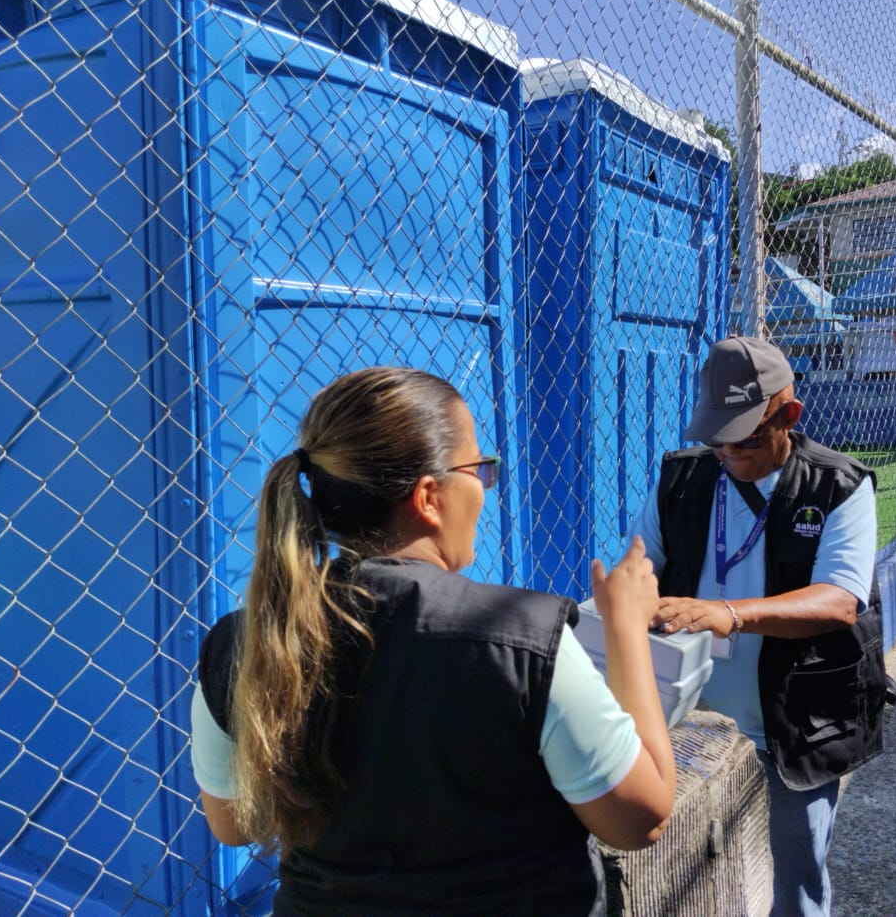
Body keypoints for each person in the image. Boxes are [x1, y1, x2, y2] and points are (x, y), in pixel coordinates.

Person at [190, 367, 676, 915]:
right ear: (429, 497)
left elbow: (234, 823)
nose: (486, 489)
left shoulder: (240, 644)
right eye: (480, 470)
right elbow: (642, 819)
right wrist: (625, 625)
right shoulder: (524, 642)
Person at [629, 336, 889, 917]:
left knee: (796, 879)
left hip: (791, 726)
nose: (727, 453)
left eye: (744, 439)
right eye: (716, 439)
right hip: (690, 719)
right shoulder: (682, 479)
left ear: (788, 416)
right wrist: (636, 592)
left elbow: (838, 601)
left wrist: (730, 615)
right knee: (694, 875)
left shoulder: (837, 486)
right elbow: (642, 561)